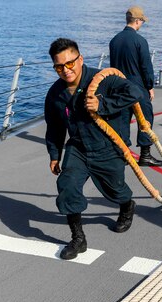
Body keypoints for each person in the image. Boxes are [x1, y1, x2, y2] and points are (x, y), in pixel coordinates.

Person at [45, 38, 143, 260]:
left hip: (108, 147)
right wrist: (54, 154)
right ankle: (78, 239)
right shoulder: (55, 94)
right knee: (67, 186)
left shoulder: (104, 80)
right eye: (59, 66)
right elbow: (55, 126)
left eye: (70, 63)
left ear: (80, 59)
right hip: (78, 148)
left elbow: (135, 92)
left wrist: (103, 105)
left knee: (115, 189)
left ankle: (127, 205)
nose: (65, 70)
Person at [109, 5, 162, 167]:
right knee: (145, 119)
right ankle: (145, 156)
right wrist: (150, 86)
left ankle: (123, 155)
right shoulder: (140, 41)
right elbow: (146, 67)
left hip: (119, 86)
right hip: (137, 87)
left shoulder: (114, 40)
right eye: (142, 21)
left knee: (122, 120)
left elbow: (113, 66)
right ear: (138, 21)